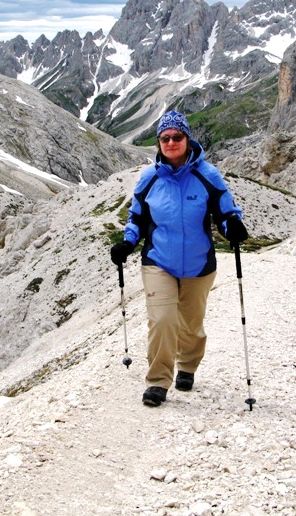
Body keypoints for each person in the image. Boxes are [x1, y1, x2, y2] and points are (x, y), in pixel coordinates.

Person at [110, 110, 248, 406]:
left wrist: (232, 227)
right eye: (165, 138)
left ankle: (187, 365)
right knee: (163, 321)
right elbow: (136, 217)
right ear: (159, 142)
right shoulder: (149, 178)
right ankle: (158, 381)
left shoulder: (207, 175)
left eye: (177, 137)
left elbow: (225, 212)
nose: (171, 142)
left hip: (199, 265)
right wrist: (127, 242)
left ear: (187, 139)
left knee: (191, 324)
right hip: (158, 261)